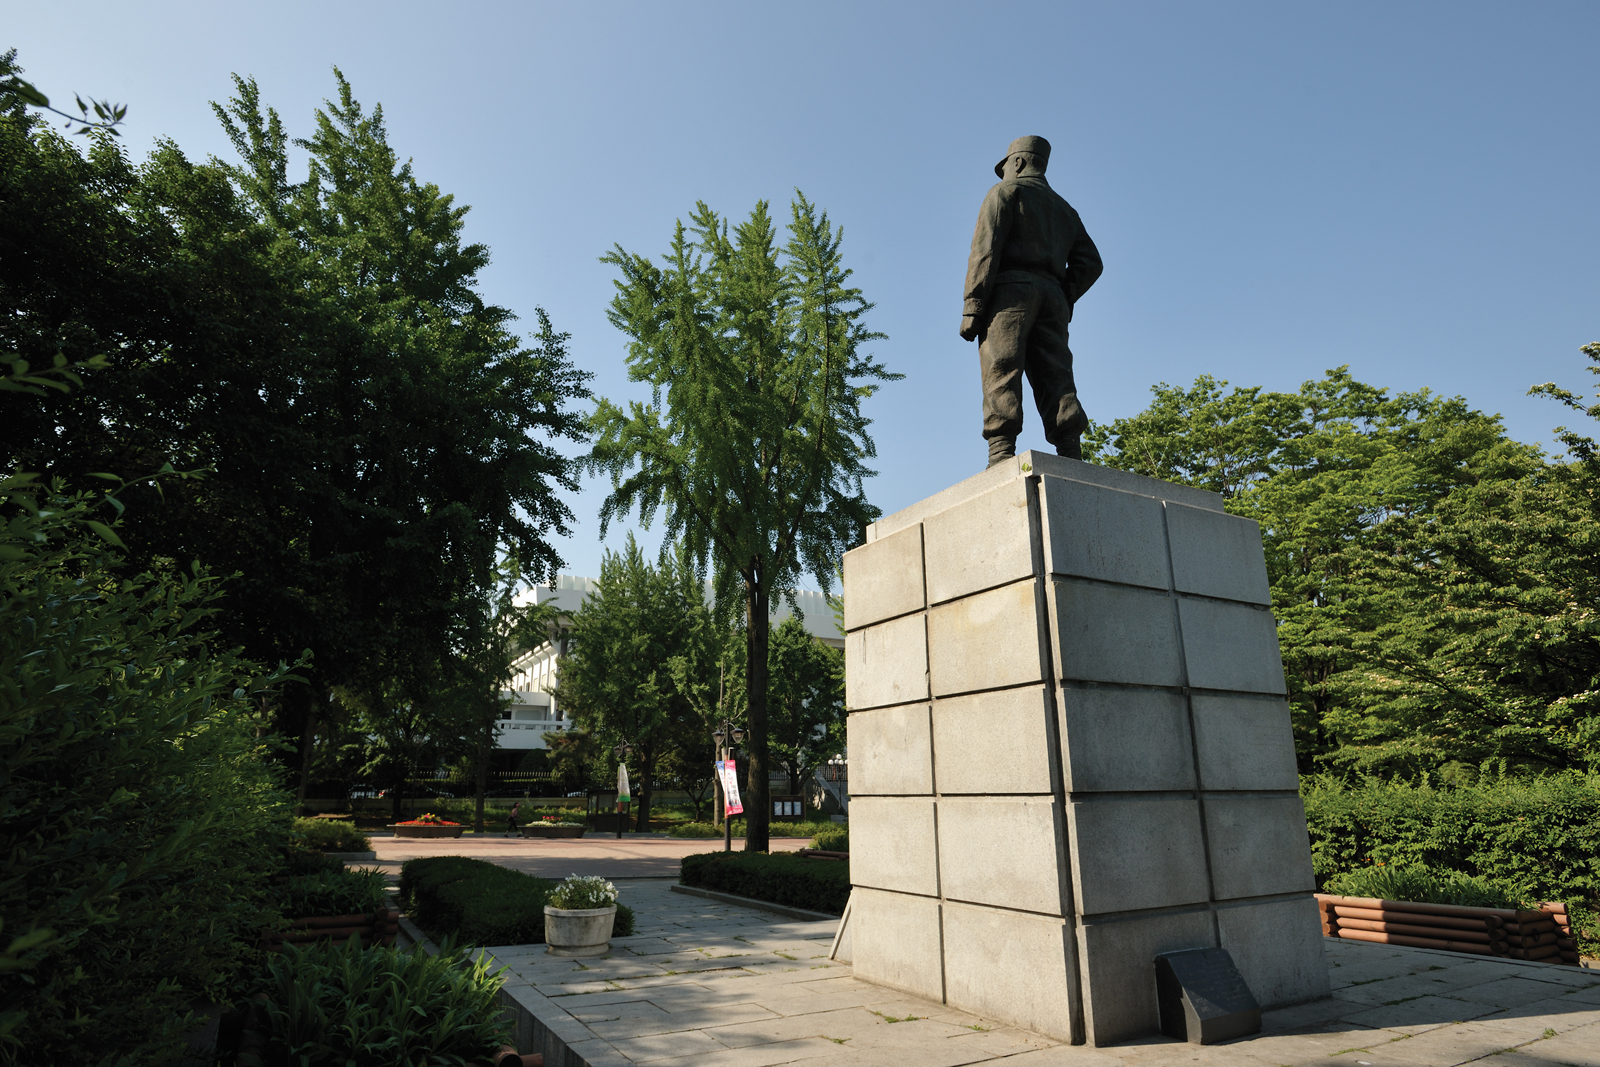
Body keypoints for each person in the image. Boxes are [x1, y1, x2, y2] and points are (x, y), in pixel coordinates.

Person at [960, 135, 1103, 467]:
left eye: (1006, 166)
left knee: (1001, 365)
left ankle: (1001, 451)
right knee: (1056, 372)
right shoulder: (1065, 210)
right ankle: (1070, 448)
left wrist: (973, 305)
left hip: (1011, 291)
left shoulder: (1005, 193)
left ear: (1018, 162)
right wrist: (1065, 295)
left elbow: (985, 251)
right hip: (1053, 296)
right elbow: (1091, 262)